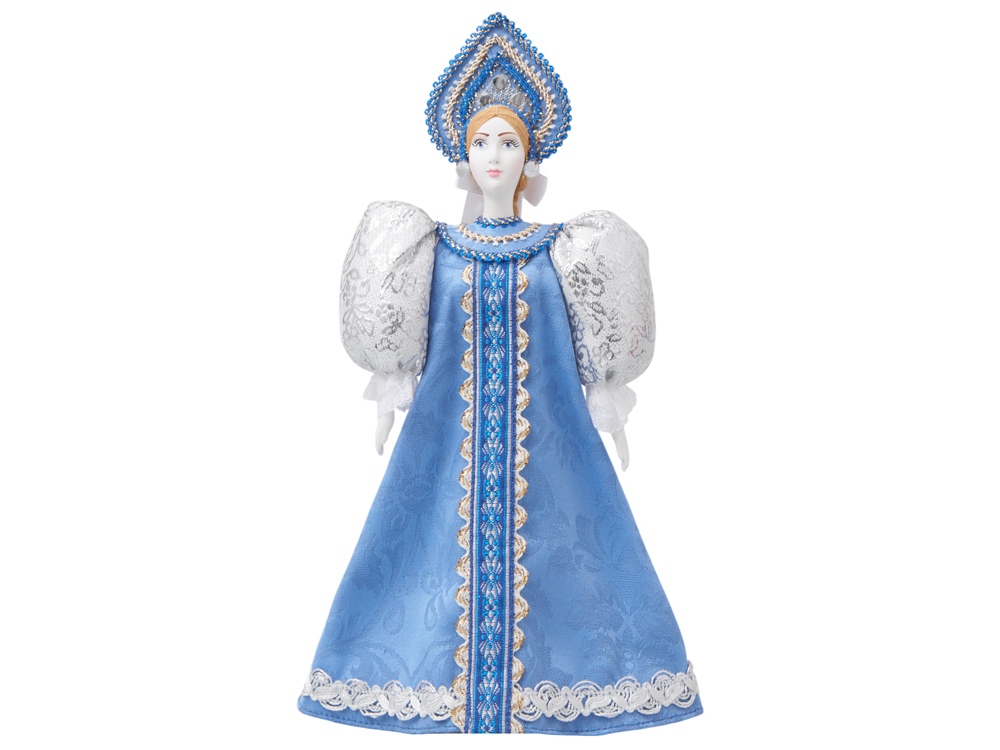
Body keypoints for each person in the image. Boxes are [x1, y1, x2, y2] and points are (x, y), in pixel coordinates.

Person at [299, 13, 702, 735]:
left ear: (529, 158)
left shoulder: (568, 248)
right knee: (419, 559)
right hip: (443, 450)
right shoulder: (430, 247)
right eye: (482, 141)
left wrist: (611, 406)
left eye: (508, 142)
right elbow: (400, 339)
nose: (494, 155)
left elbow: (600, 344)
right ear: (462, 154)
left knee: (575, 571)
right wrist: (388, 399)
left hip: (552, 449)